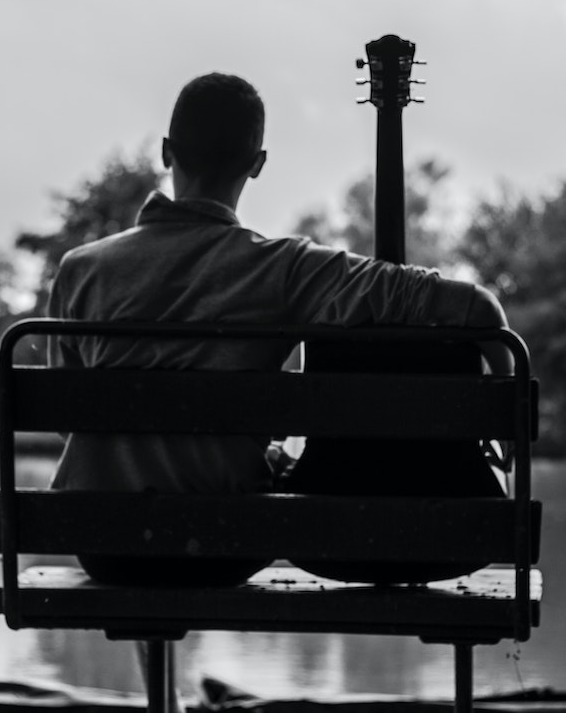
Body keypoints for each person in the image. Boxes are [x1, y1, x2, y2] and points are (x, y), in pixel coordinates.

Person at [47, 72, 511, 586]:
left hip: (101, 542)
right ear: (258, 164)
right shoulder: (284, 268)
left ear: (164, 152)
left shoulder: (80, 269)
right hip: (229, 544)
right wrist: (503, 419)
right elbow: (478, 309)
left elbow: (71, 419)